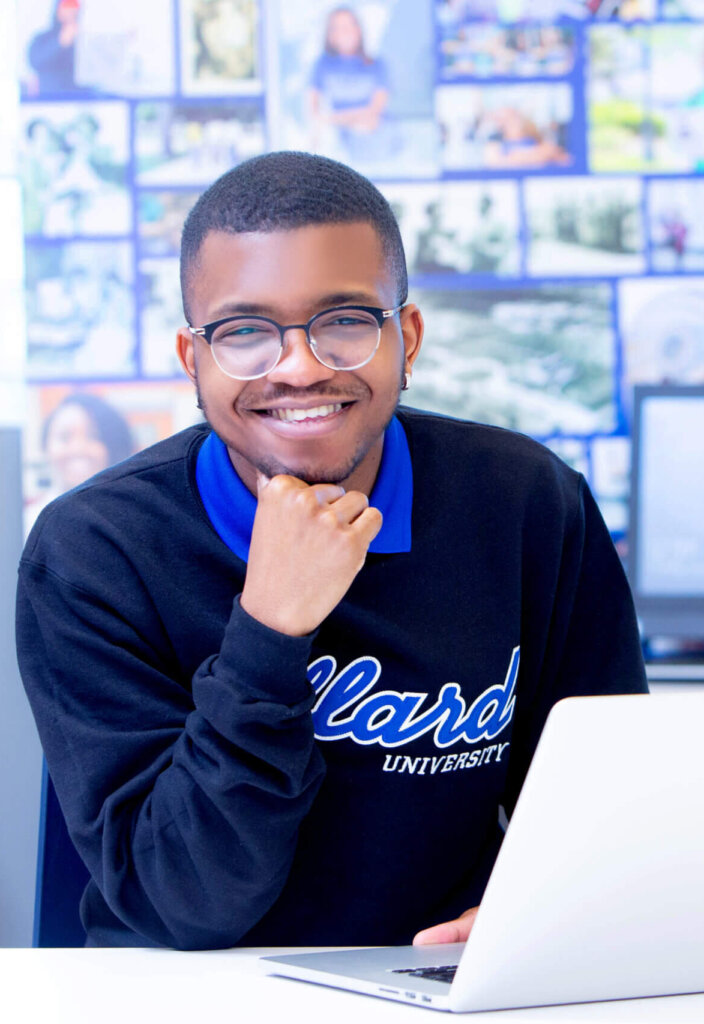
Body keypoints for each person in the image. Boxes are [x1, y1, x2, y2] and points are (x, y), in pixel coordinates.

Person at [16, 151, 648, 951]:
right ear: (194, 361)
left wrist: (559, 913)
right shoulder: (95, 551)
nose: (302, 368)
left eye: (345, 322)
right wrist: (270, 629)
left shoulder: (529, 504)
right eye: (245, 332)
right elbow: (182, 903)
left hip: (443, 983)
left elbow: (605, 817)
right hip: (190, 991)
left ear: (405, 339)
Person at [24, 391, 134, 534]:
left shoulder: (131, 519)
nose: (78, 448)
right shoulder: (27, 522)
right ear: (45, 446)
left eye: (93, 436)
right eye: (64, 437)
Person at [308, 7, 392, 162]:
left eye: (349, 26)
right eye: (338, 27)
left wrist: (332, 119)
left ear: (359, 29)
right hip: (337, 145)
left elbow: (375, 112)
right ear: (330, 35)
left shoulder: (376, 65)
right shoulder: (321, 65)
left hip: (375, 141)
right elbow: (314, 112)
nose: (345, 32)